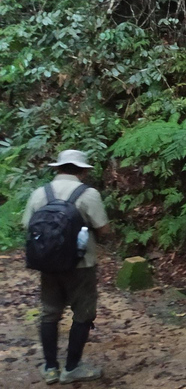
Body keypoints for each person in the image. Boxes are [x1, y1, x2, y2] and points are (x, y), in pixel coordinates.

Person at [22, 149, 110, 385]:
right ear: (82, 171)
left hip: (48, 264)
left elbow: (27, 226)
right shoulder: (88, 194)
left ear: (58, 168)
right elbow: (103, 229)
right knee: (82, 313)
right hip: (81, 265)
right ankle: (72, 368)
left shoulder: (40, 193)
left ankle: (50, 367)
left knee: (50, 313)